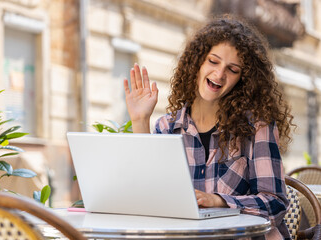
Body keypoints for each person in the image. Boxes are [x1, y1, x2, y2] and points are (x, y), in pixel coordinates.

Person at [124, 14, 294, 239]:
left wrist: (219, 202)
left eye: (233, 70)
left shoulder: (257, 127)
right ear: (197, 63)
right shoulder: (167, 128)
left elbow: (276, 203)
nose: (220, 74)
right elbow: (147, 195)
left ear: (242, 80)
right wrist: (140, 120)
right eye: (213, 61)